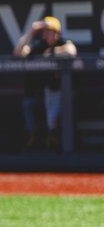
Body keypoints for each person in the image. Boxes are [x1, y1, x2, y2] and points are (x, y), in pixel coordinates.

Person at [14, 15, 77, 149]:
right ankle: (36, 139)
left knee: (55, 117)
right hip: (43, 91)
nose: (46, 34)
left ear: (56, 33)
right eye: (44, 31)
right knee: (29, 103)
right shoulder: (39, 45)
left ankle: (59, 142)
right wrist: (30, 33)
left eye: (49, 31)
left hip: (60, 91)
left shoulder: (63, 43)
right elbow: (19, 53)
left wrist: (51, 53)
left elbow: (72, 51)